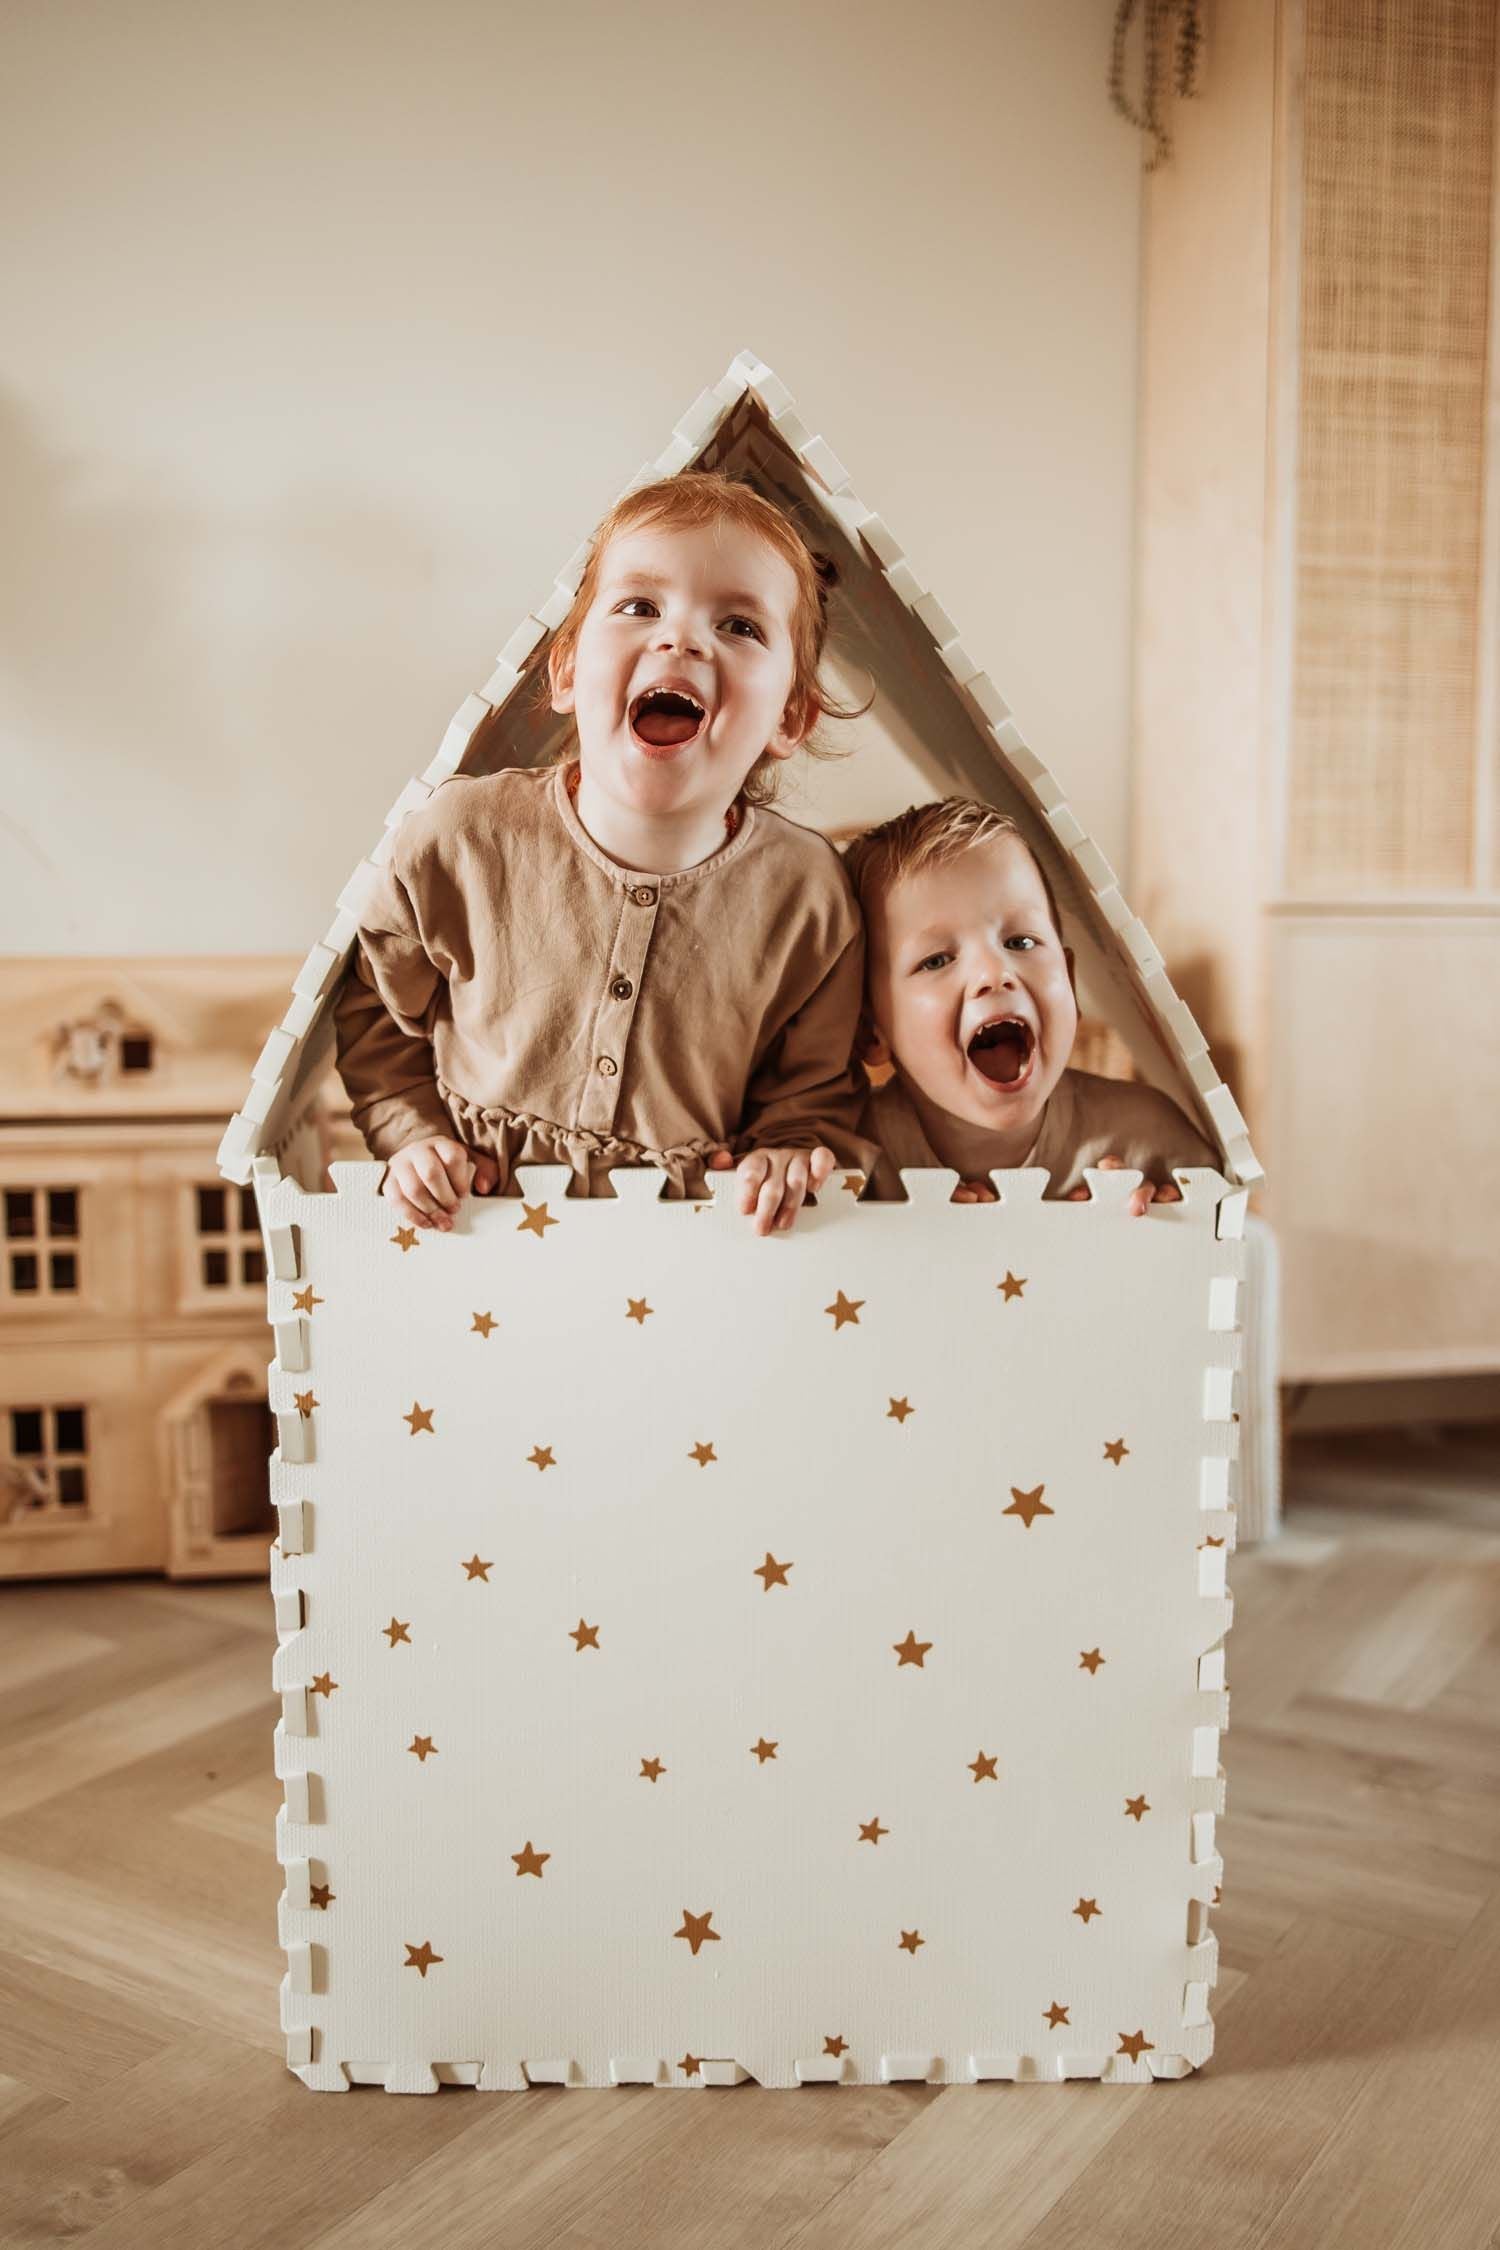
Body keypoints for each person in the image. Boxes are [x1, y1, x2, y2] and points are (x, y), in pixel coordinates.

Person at [334, 472, 876, 1237]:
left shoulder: (806, 895)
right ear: (565, 671)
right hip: (474, 1231)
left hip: (684, 1246)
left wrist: (788, 1151)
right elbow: (376, 1019)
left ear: (789, 715)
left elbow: (812, 1087)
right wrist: (413, 1137)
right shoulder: (462, 839)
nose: (681, 638)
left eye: (739, 626)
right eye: (640, 606)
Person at [841, 798, 1217, 1209]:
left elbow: (1235, 1246)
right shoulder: (848, 1158)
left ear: (1070, 986)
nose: (993, 973)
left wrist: (1160, 1226)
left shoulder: (1146, 1140)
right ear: (870, 1031)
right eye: (936, 960)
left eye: (1020, 942)